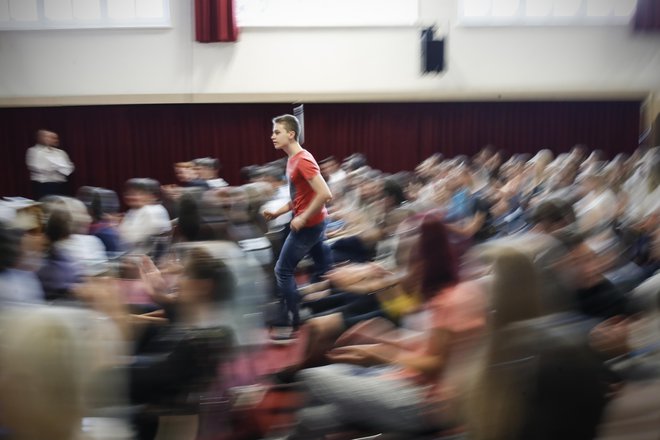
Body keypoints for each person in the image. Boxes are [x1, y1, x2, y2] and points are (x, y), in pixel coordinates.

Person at [263, 114, 332, 342]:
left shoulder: (302, 159)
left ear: (291, 134)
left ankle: (294, 323)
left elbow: (325, 194)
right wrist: (278, 212)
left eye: (277, 132)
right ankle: (318, 308)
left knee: (282, 271)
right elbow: (300, 197)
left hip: (310, 225)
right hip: (312, 222)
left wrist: (302, 219)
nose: (272, 136)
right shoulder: (292, 159)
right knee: (324, 269)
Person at [25, 129, 75, 199]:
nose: (55, 140)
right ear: (41, 138)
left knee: (62, 207)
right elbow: (37, 167)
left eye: (56, 138)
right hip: (44, 186)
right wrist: (57, 166)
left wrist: (58, 166)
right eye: (51, 137)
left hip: (61, 184)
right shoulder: (34, 151)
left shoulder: (61, 152)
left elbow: (70, 166)